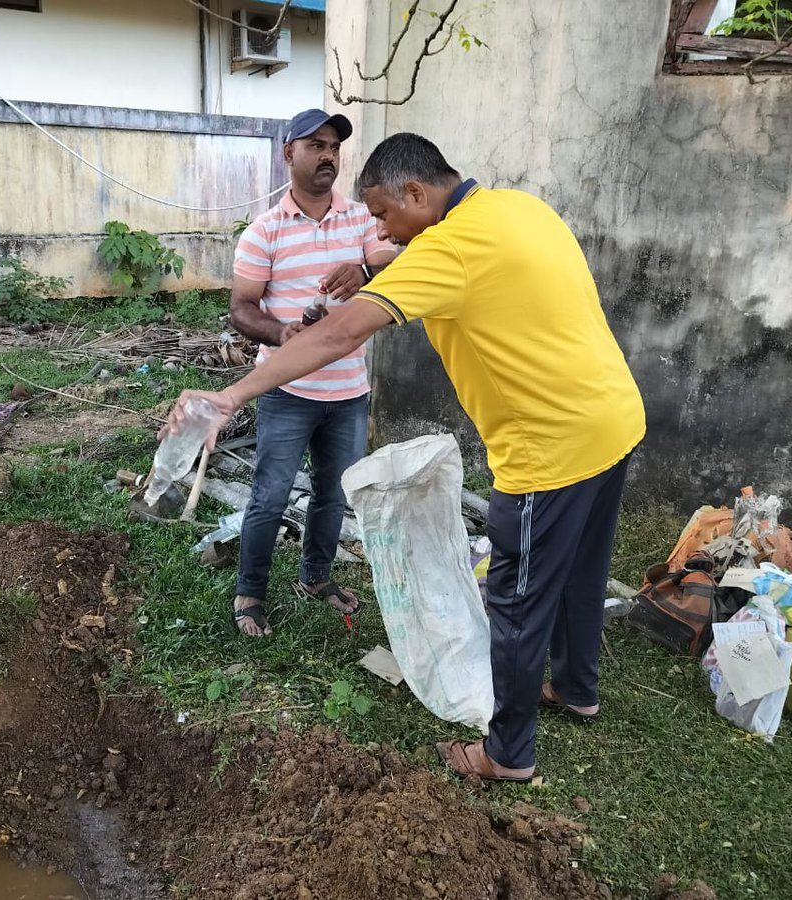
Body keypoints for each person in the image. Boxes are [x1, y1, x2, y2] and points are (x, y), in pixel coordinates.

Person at [168, 132, 646, 780]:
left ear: (417, 193)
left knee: (518, 603)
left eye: (385, 216)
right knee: (583, 574)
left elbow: (340, 331)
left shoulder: (449, 248)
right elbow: (454, 270)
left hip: (551, 450)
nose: (384, 233)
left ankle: (507, 754)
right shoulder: (516, 210)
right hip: (613, 422)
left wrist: (230, 397)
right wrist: (371, 269)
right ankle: (578, 688)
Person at [226, 108, 397, 638]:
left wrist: (366, 269)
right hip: (287, 390)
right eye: (315, 145)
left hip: (349, 390)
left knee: (333, 492)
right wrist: (281, 335)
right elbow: (242, 309)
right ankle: (250, 591)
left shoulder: (362, 220)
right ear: (288, 154)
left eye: (333, 147)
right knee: (270, 494)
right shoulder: (264, 233)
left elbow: (400, 258)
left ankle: (315, 577)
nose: (328, 155)